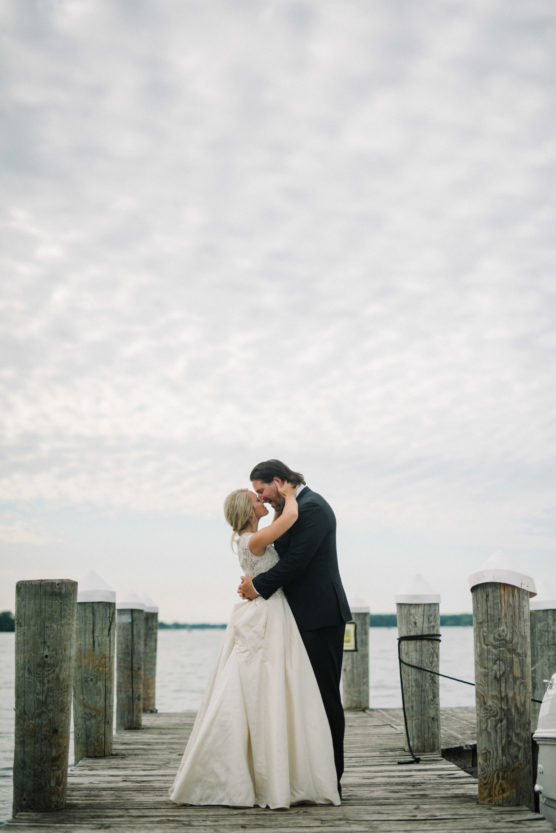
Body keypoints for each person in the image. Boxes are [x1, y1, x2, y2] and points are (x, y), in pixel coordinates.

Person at [169, 483, 340, 809]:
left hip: (272, 611)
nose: (261, 500)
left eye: (260, 495)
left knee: (269, 682)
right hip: (266, 615)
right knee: (264, 682)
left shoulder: (251, 539)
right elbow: (290, 515)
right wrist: (288, 492)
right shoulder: (255, 539)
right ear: (248, 512)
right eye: (255, 499)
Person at [239, 459, 351, 793]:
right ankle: (308, 774)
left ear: (277, 480)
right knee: (303, 698)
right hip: (296, 618)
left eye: (262, 491)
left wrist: (257, 586)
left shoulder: (312, 507)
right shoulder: (293, 506)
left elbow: (296, 562)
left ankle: (332, 779)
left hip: (319, 617)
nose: (263, 498)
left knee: (325, 697)